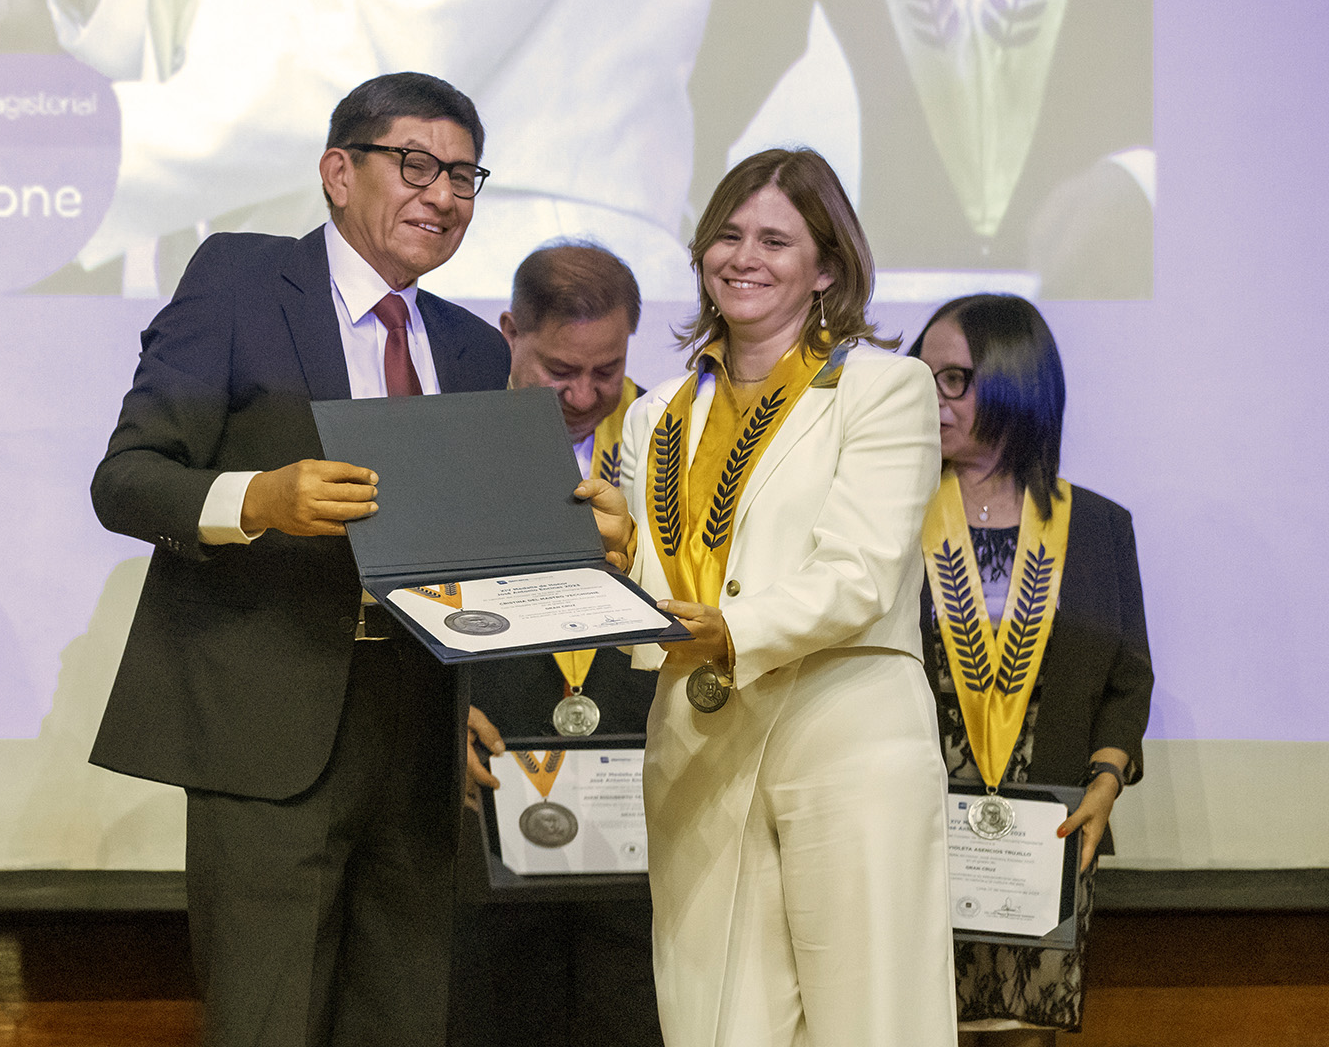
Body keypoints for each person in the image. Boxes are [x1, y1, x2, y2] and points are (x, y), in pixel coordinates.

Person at [88, 72, 510, 1047]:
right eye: (415, 165)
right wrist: (260, 500)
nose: (442, 197)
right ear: (336, 170)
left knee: (405, 1023)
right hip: (270, 731)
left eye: (464, 176)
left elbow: (461, 552)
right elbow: (128, 481)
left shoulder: (474, 350)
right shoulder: (242, 284)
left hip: (418, 739)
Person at [583, 147, 957, 1047]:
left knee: (872, 1023)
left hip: (845, 732)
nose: (743, 256)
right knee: (718, 1024)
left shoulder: (883, 388)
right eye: (728, 234)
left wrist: (728, 628)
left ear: (826, 266)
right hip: (696, 744)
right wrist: (602, 559)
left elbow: (860, 575)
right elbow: (660, 587)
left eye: (776, 240)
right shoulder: (654, 412)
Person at [908, 294, 1154, 1044]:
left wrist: (1106, 781)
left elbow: (1127, 678)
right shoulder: (885, 516)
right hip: (912, 832)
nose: (932, 398)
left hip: (1042, 841)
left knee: (1022, 1034)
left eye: (955, 379)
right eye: (922, 378)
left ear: (1019, 384)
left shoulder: (1099, 527)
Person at [454, 241, 664, 1047]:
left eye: (606, 370)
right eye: (560, 370)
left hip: (638, 795)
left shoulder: (668, 438)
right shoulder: (455, 437)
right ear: (511, 331)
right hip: (489, 794)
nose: (585, 395)